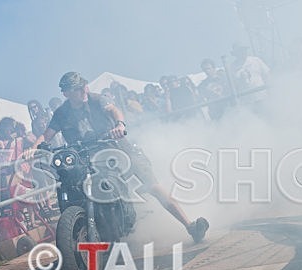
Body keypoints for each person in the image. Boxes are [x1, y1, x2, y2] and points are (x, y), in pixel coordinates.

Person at [31, 72, 208, 242]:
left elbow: (113, 110)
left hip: (117, 148)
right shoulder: (62, 113)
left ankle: (190, 225)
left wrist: (120, 125)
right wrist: (32, 150)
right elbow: (46, 135)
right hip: (85, 157)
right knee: (72, 186)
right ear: (66, 93)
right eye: (77, 88)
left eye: (83, 85)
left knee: (151, 184)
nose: (84, 89)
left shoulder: (97, 99)